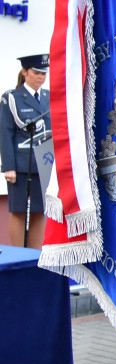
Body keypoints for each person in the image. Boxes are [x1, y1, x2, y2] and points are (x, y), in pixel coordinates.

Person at [1, 54, 50, 249]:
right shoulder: (11, 98)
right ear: (25, 72)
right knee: (19, 210)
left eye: (44, 74)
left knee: (40, 210)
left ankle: (34, 255)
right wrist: (8, 167)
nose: (41, 77)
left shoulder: (48, 96)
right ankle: (18, 254)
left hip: (44, 163)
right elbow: (5, 133)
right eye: (37, 73)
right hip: (21, 164)